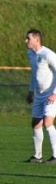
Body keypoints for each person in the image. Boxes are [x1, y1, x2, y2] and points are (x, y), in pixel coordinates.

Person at [25, 29, 56, 164]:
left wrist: (55, 93)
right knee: (36, 123)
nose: (26, 41)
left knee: (48, 122)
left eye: (28, 39)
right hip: (39, 94)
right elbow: (34, 74)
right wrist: (31, 91)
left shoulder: (48, 54)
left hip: (51, 93)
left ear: (36, 40)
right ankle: (38, 156)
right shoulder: (30, 54)